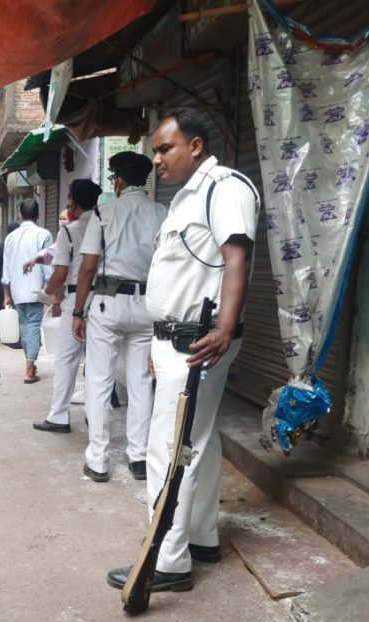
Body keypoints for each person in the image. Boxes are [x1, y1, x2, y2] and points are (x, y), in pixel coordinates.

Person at [107, 110, 259, 594]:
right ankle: (200, 537)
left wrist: (224, 327)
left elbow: (238, 256)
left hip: (197, 341)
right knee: (200, 441)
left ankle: (168, 560)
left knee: (170, 450)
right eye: (154, 150)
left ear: (195, 146)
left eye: (165, 148)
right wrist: (158, 338)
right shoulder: (182, 199)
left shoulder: (223, 187)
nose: (156, 160)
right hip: (176, 339)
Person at [72, 151, 167, 484]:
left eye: (114, 179)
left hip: (108, 305)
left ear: (120, 181)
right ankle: (139, 457)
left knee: (99, 381)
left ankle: (98, 461)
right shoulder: (162, 213)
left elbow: (86, 269)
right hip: (147, 306)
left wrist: (78, 311)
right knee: (142, 382)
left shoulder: (102, 213)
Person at [33, 178, 103, 433]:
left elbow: (61, 273)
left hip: (77, 298)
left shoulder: (70, 231)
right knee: (97, 363)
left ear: (73, 201)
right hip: (105, 299)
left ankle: (59, 416)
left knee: (66, 360)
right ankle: (93, 415)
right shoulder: (105, 227)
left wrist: (48, 292)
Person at [1, 199, 53, 383]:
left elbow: (5, 270)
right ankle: (29, 371)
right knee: (32, 327)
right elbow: (48, 266)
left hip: (16, 291)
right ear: (38, 215)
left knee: (26, 327)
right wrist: (52, 291)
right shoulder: (44, 235)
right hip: (35, 289)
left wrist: (6, 295)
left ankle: (30, 363)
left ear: (20, 216)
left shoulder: (10, 238)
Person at [0, 222, 18, 344]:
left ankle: (0, 336)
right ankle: (17, 338)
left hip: (4, 280)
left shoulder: (3, 244)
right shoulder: (19, 244)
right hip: (18, 279)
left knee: (1, 308)